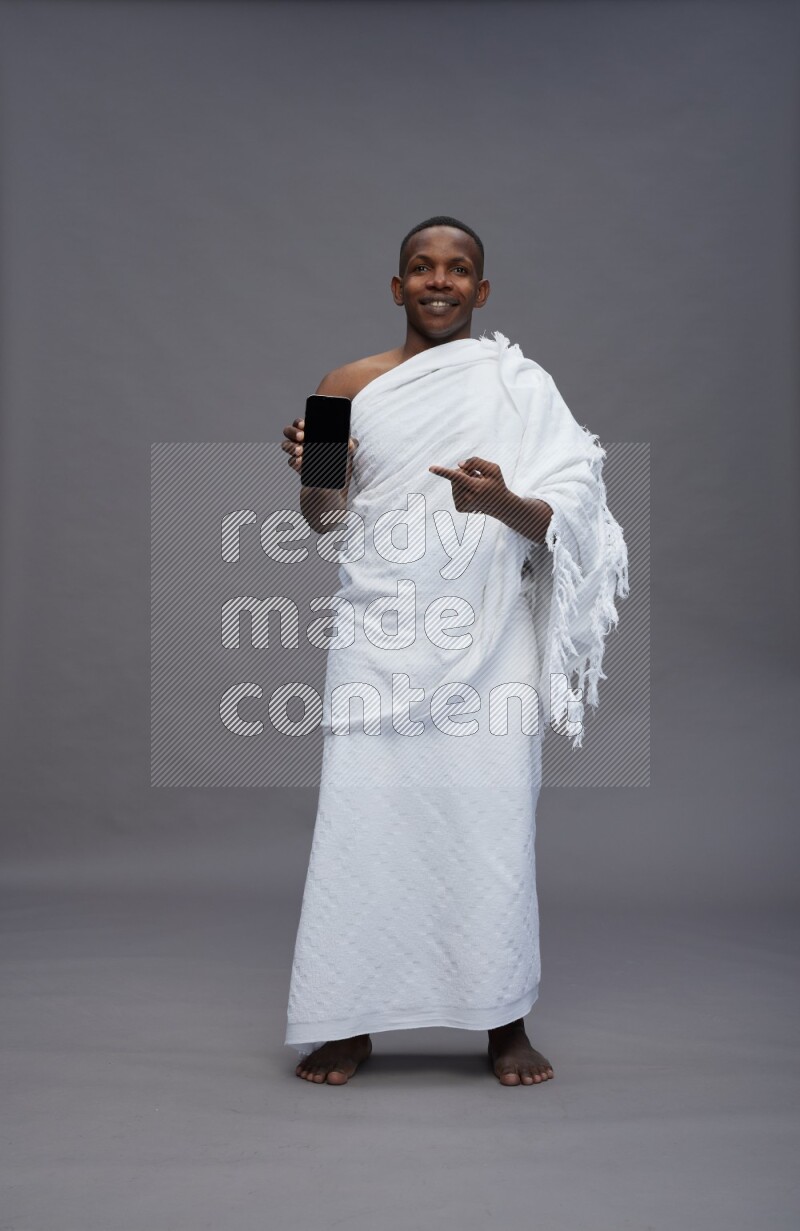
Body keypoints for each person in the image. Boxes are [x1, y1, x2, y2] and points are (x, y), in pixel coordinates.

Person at [281, 216, 628, 1086]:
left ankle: (503, 1020)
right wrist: (318, 471)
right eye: (422, 266)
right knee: (363, 827)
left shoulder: (519, 386)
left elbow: (571, 515)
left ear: (482, 289)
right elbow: (323, 520)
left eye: (459, 267)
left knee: (490, 823)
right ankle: (348, 1022)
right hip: (380, 632)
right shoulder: (343, 386)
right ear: (397, 286)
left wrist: (499, 502)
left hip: (491, 642)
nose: (440, 279)